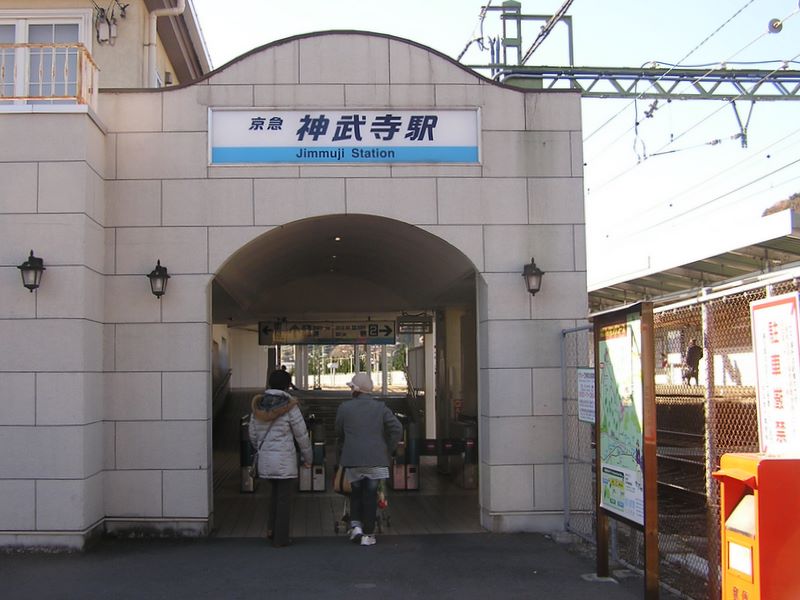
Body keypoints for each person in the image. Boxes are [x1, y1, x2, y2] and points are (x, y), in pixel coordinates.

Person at [335, 372, 402, 547]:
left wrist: (344, 447)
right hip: (376, 459)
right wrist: (388, 447)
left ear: (355, 390)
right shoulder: (381, 408)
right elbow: (397, 428)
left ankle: (356, 526)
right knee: (370, 495)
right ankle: (368, 534)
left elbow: (338, 432)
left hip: (353, 459)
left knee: (355, 493)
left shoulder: (344, 408)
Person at [249, 369, 312, 547]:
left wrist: (262, 449)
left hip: (266, 459)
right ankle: (281, 538)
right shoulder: (290, 406)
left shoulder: (258, 405)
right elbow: (301, 435)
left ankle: (271, 530)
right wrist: (308, 457)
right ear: (287, 385)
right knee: (283, 499)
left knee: (274, 496)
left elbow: (253, 434)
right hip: (285, 459)